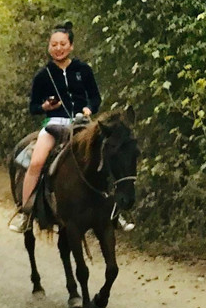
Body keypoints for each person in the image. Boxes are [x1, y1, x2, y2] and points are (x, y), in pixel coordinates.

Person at [9, 22, 128, 232]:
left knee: (108, 155)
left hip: (83, 123)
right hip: (54, 124)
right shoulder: (42, 75)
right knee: (36, 162)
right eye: (54, 44)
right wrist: (45, 106)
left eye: (62, 43)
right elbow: (33, 107)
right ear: (49, 47)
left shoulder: (83, 70)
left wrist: (89, 109)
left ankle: (116, 212)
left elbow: (95, 97)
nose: (58, 48)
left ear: (71, 46)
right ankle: (25, 212)